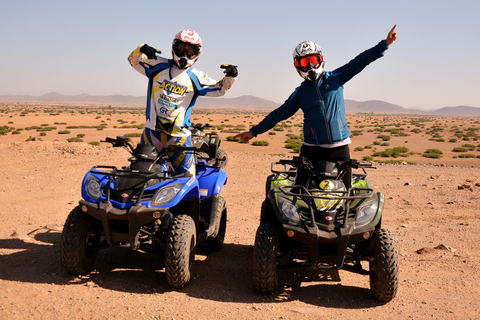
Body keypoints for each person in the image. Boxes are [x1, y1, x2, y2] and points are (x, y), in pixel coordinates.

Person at [235, 25, 398, 188]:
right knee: (300, 191)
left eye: (313, 61)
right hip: (311, 150)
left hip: (340, 147)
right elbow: (279, 114)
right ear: (297, 66)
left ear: (321, 59)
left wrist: (385, 44)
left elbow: (361, 61)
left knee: (345, 193)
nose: (310, 67)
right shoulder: (300, 93)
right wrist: (254, 131)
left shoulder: (337, 77)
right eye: (305, 62)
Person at [128, 29, 238, 176]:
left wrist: (230, 77)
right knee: (138, 174)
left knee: (187, 178)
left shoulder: (197, 77)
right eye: (182, 48)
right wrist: (140, 49)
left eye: (190, 50)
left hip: (179, 138)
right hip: (151, 133)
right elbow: (133, 61)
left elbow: (219, 89)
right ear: (175, 47)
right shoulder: (157, 65)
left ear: (197, 52)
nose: (185, 54)